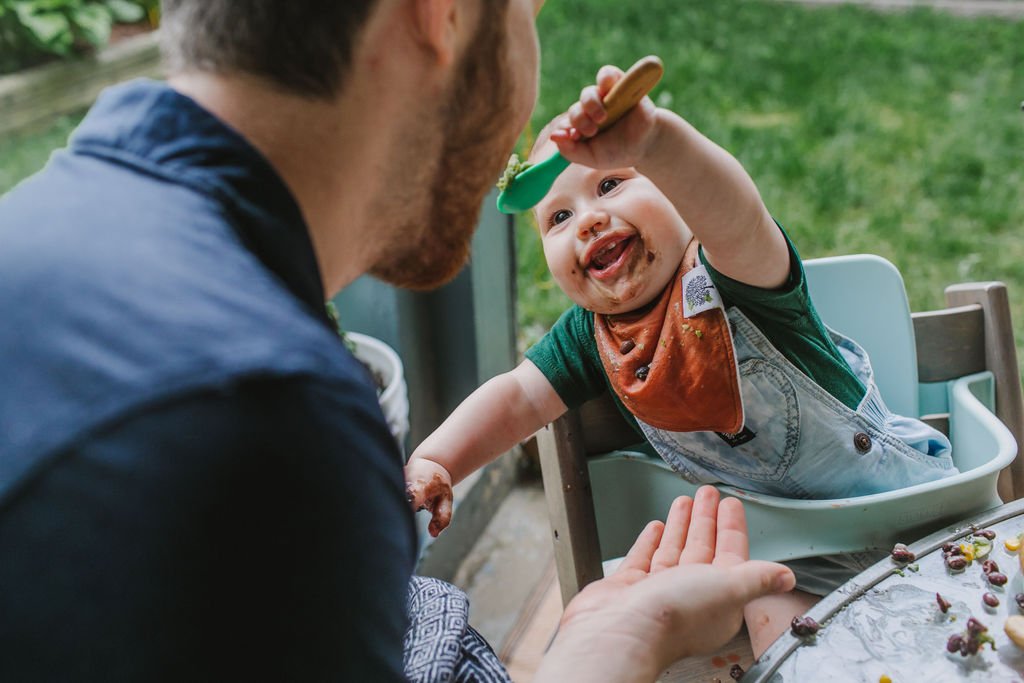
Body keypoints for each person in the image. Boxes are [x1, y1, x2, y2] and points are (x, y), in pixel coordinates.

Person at [0, 0, 795, 680]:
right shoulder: (260, 414)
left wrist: (600, 643)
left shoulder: (44, 236)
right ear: (441, 15)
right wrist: (618, 651)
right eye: (527, 14)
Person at [405, 61, 958, 656]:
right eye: (558, 218)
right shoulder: (591, 337)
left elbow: (735, 210)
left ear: (674, 194)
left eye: (611, 183)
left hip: (915, 521)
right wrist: (441, 457)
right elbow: (518, 397)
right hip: (789, 559)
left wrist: (657, 142)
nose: (587, 219)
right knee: (767, 611)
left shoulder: (736, 276)